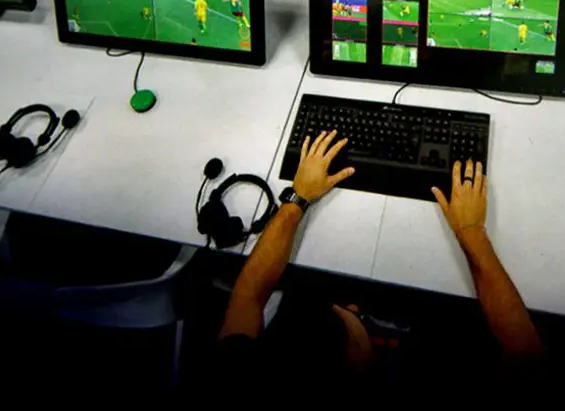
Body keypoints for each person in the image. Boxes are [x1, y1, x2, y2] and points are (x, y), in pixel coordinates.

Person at [213, 130, 541, 389]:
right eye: (355, 320)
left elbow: (245, 295)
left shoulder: (236, 373)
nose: (353, 306)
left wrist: (297, 197)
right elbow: (525, 349)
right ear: (361, 364)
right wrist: (471, 231)